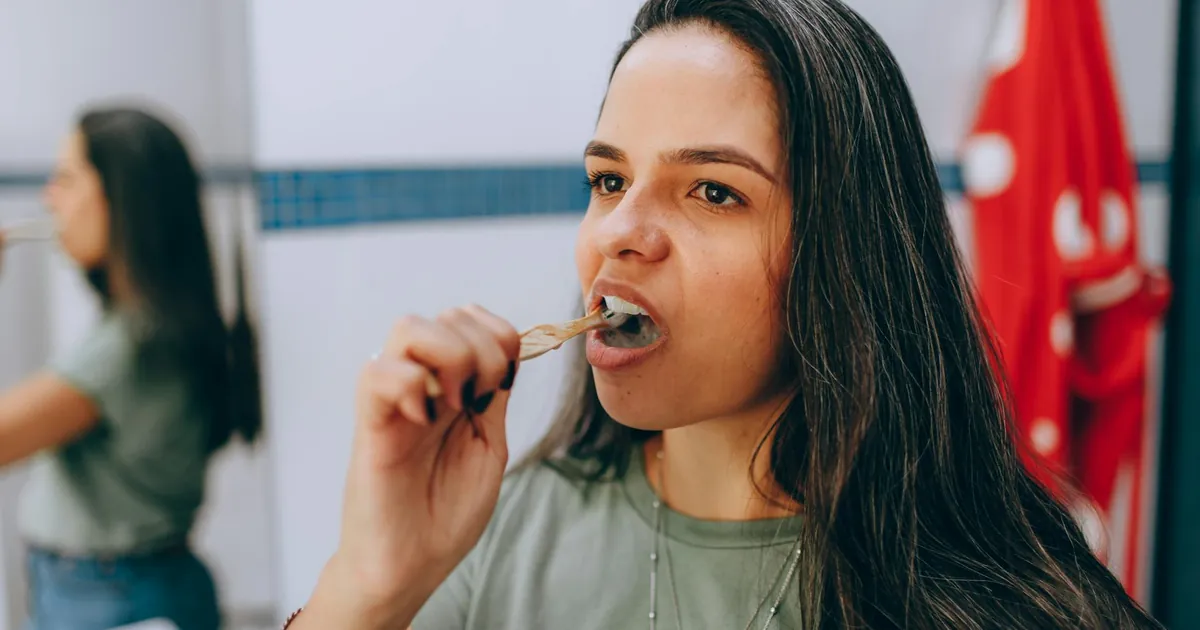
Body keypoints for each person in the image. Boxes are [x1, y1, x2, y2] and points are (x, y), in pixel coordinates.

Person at [287, 0, 1163, 628]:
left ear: (844, 251)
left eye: (712, 191)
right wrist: (369, 587)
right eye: (608, 180)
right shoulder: (491, 536)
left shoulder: (1000, 599)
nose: (620, 232)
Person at [0, 107, 261, 630]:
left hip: (105, 600)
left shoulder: (127, 349)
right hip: (129, 589)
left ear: (121, 199)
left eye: (67, 179)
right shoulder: (168, 323)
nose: (49, 198)